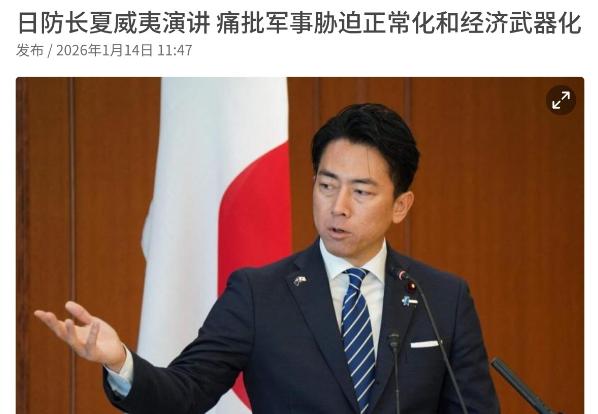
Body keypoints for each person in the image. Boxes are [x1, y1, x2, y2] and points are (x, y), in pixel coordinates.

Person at [35, 103, 499, 413]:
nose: (338, 206)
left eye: (361, 192)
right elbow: (185, 393)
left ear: (400, 205)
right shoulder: (258, 295)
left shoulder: (443, 299)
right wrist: (120, 362)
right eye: (326, 185)